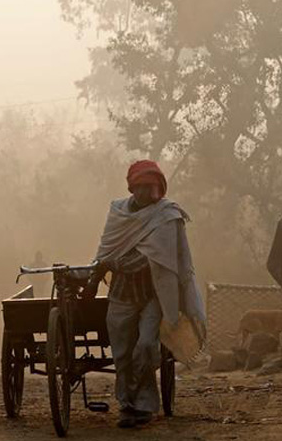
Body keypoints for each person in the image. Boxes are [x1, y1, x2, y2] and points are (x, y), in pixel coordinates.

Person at [84, 160, 206, 429]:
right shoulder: (118, 213)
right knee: (122, 354)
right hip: (121, 295)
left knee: (146, 347)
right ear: (132, 188)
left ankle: (145, 405)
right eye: (140, 187)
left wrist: (113, 264)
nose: (145, 193)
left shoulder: (166, 216)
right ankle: (127, 406)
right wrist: (94, 278)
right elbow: (105, 252)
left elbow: (155, 260)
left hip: (152, 296)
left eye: (150, 187)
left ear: (158, 188)